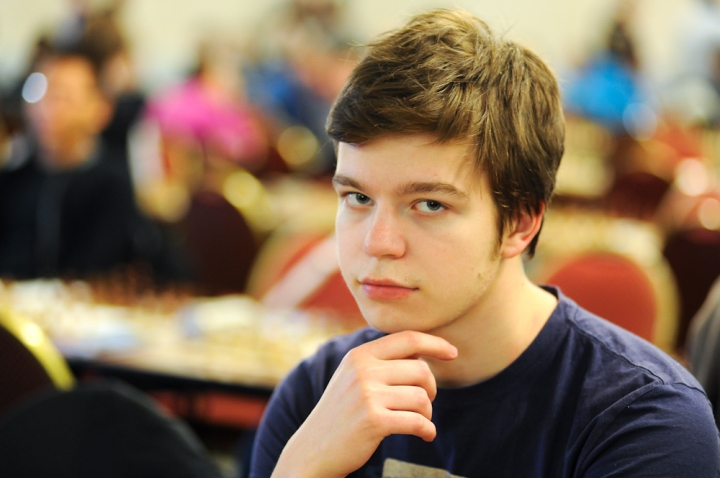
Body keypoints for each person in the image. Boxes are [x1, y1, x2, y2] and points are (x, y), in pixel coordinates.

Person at [249, 9, 720, 478]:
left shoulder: (644, 422)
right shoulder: (319, 396)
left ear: (520, 223)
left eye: (429, 204)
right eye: (357, 197)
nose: (379, 243)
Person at [0, 47, 168, 281]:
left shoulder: (111, 186)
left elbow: (95, 273)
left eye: (63, 97)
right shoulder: (12, 181)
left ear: (101, 110)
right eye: (39, 93)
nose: (46, 108)